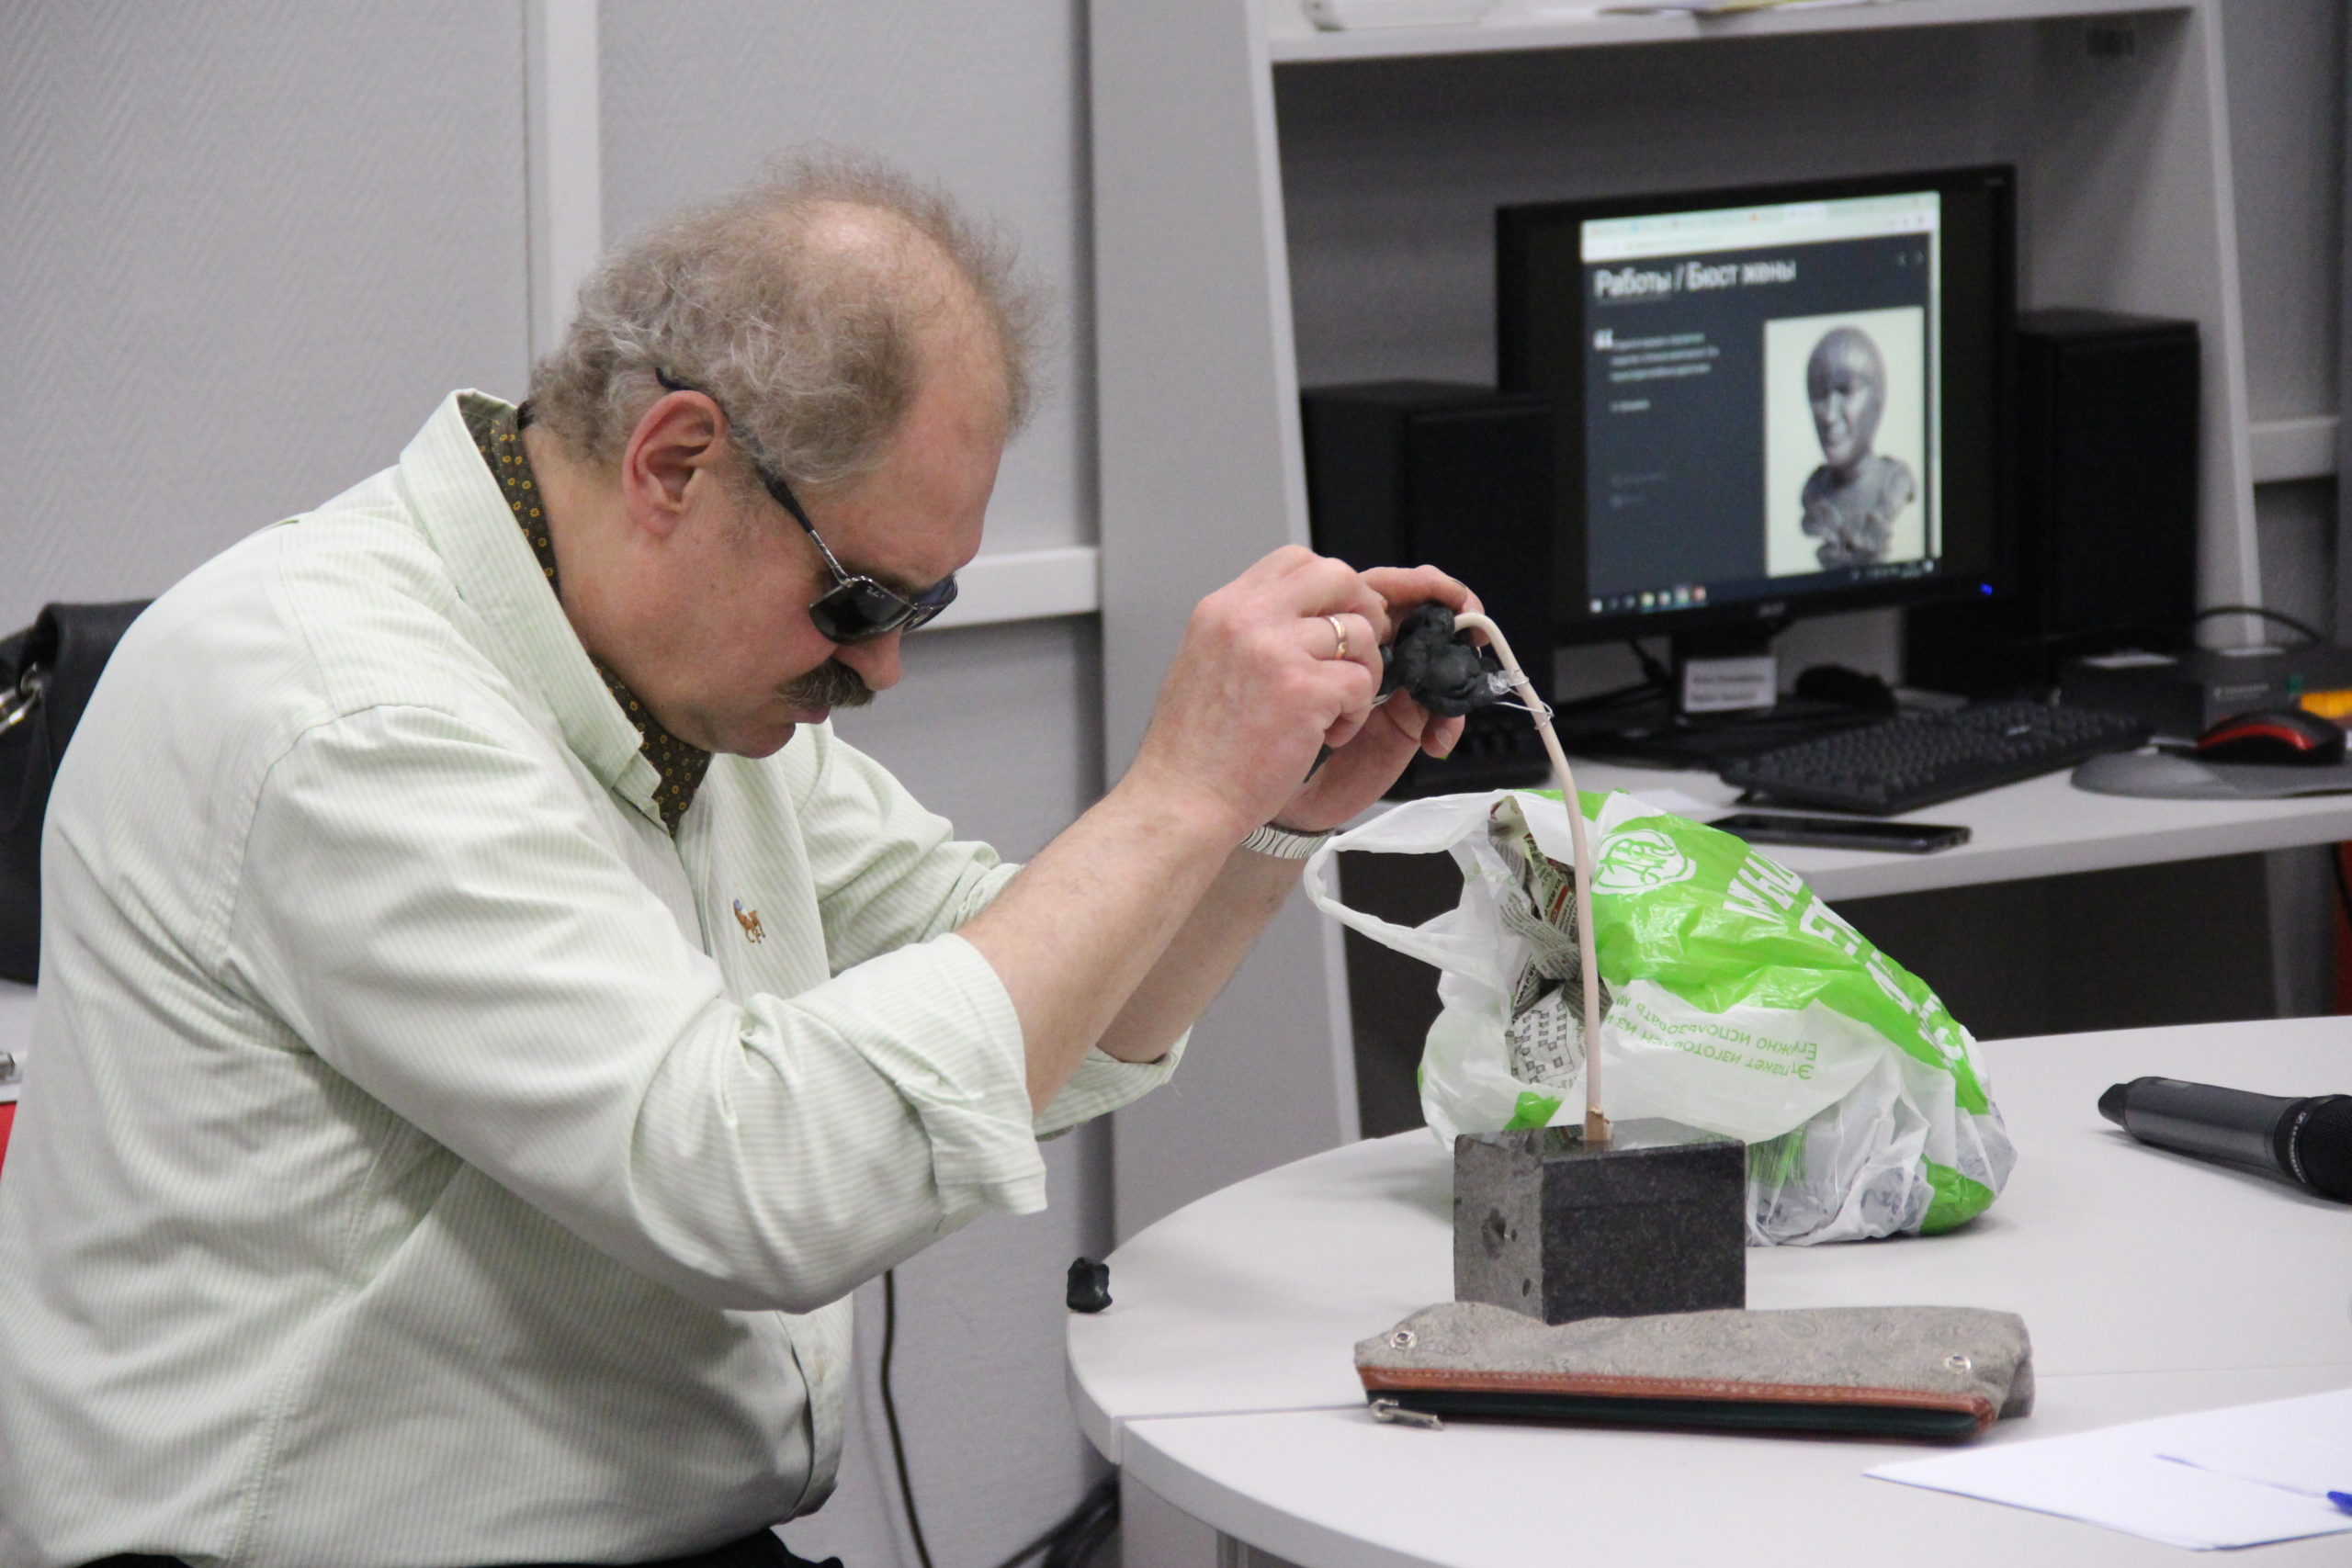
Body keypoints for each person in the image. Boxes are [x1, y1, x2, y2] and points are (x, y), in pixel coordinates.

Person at [0, 152, 1473, 1568]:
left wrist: (1261, 815)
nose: (883, 668)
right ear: (677, 460)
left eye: (921, 606)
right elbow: (755, 1183)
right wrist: (1172, 794)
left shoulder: (661, 675)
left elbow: (1045, 1004)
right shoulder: (352, 715)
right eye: (859, 599)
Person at [1798, 324, 1916, 569]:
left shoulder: (1894, 486)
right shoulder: (1813, 492)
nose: (1829, 416)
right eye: (1819, 394)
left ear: (1877, 398)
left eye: (1846, 391)